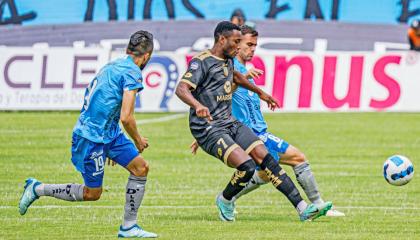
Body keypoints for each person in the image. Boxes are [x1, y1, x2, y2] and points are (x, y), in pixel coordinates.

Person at [176, 21, 332, 222]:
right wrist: (198, 106)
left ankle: (303, 209)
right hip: (209, 128)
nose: (239, 46)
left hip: (229, 122)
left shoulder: (228, 59)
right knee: (247, 167)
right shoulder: (201, 62)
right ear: (222, 39)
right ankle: (225, 200)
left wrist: (262, 94)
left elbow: (236, 78)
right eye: (236, 41)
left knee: (266, 158)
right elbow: (181, 89)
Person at [18, 31, 157, 238]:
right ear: (146, 56)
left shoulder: (112, 66)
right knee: (92, 194)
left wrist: (111, 140)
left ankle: (128, 227)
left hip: (107, 134)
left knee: (140, 168)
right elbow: (126, 117)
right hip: (91, 138)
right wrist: (137, 139)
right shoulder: (132, 73)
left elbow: (101, 103)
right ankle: (38, 188)